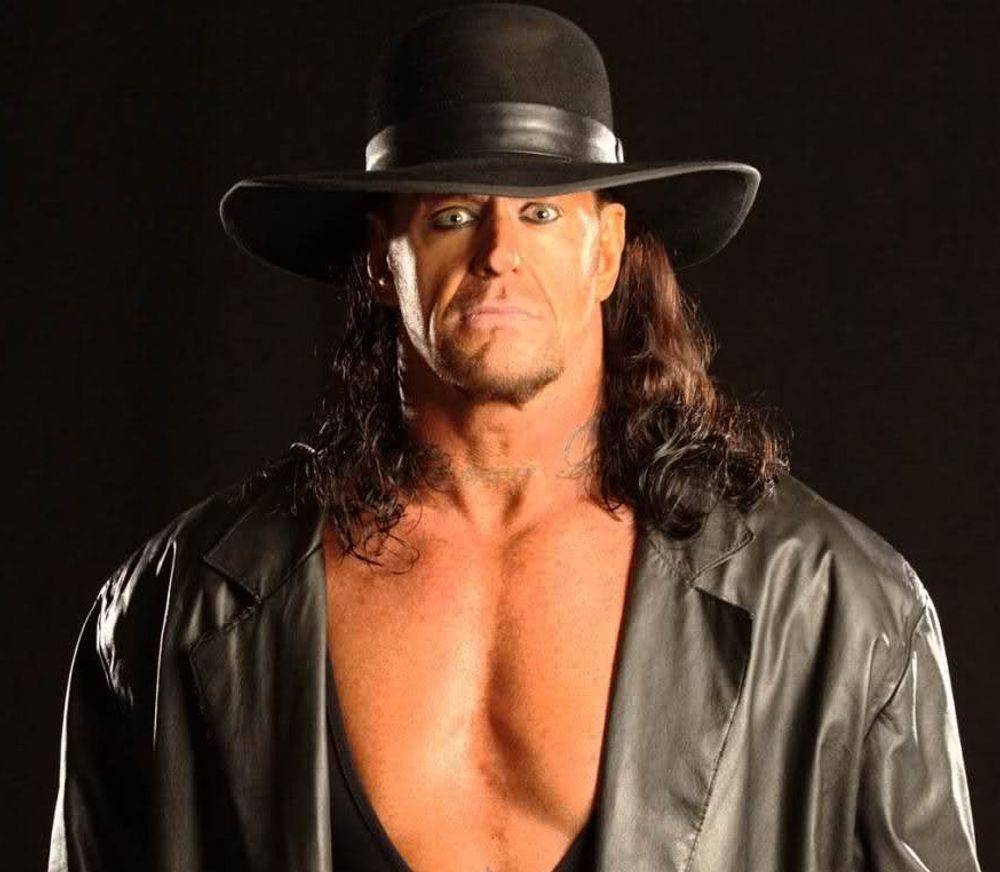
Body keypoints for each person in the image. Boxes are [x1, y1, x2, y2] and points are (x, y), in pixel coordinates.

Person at [48, 4, 981, 871]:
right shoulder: (172, 611)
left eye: (541, 212)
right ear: (380, 258)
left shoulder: (841, 608)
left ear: (606, 250)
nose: (498, 252)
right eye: (453, 215)